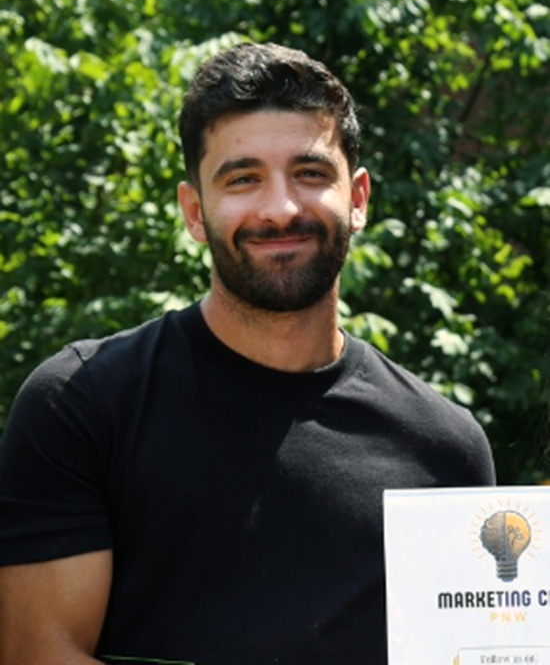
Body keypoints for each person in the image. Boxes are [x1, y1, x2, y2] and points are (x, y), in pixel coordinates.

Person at [0, 42, 495, 665]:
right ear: (195, 211)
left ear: (360, 198)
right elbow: (39, 653)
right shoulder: (82, 403)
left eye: (311, 173)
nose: (280, 208)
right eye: (243, 179)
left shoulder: (445, 447)